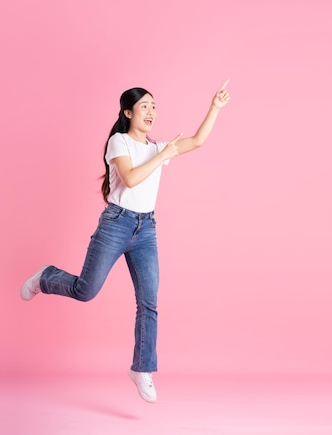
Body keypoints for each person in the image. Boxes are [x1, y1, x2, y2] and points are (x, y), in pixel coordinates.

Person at [20, 80, 231, 403]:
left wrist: (214, 107)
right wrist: (164, 156)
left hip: (146, 228)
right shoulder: (119, 142)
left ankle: (142, 368)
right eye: (144, 105)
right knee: (86, 290)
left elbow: (198, 141)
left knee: (149, 301)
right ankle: (46, 277)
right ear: (128, 112)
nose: (151, 111)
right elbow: (130, 179)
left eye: (154, 106)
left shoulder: (158, 147)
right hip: (116, 224)